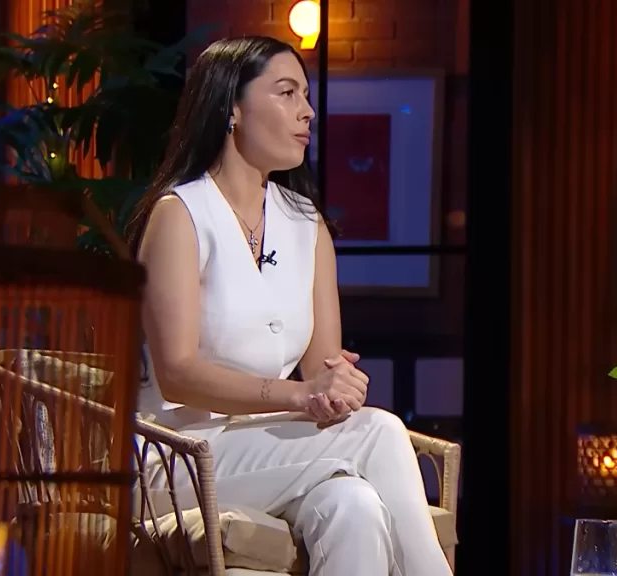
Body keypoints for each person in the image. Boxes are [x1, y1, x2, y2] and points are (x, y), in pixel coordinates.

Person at [125, 36, 452, 576]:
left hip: (274, 448)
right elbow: (177, 375)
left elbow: (323, 370)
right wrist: (301, 395)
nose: (308, 111)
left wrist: (339, 387)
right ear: (231, 107)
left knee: (355, 507)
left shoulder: (305, 223)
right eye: (286, 93)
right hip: (178, 455)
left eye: (306, 94)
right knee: (378, 432)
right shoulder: (180, 215)